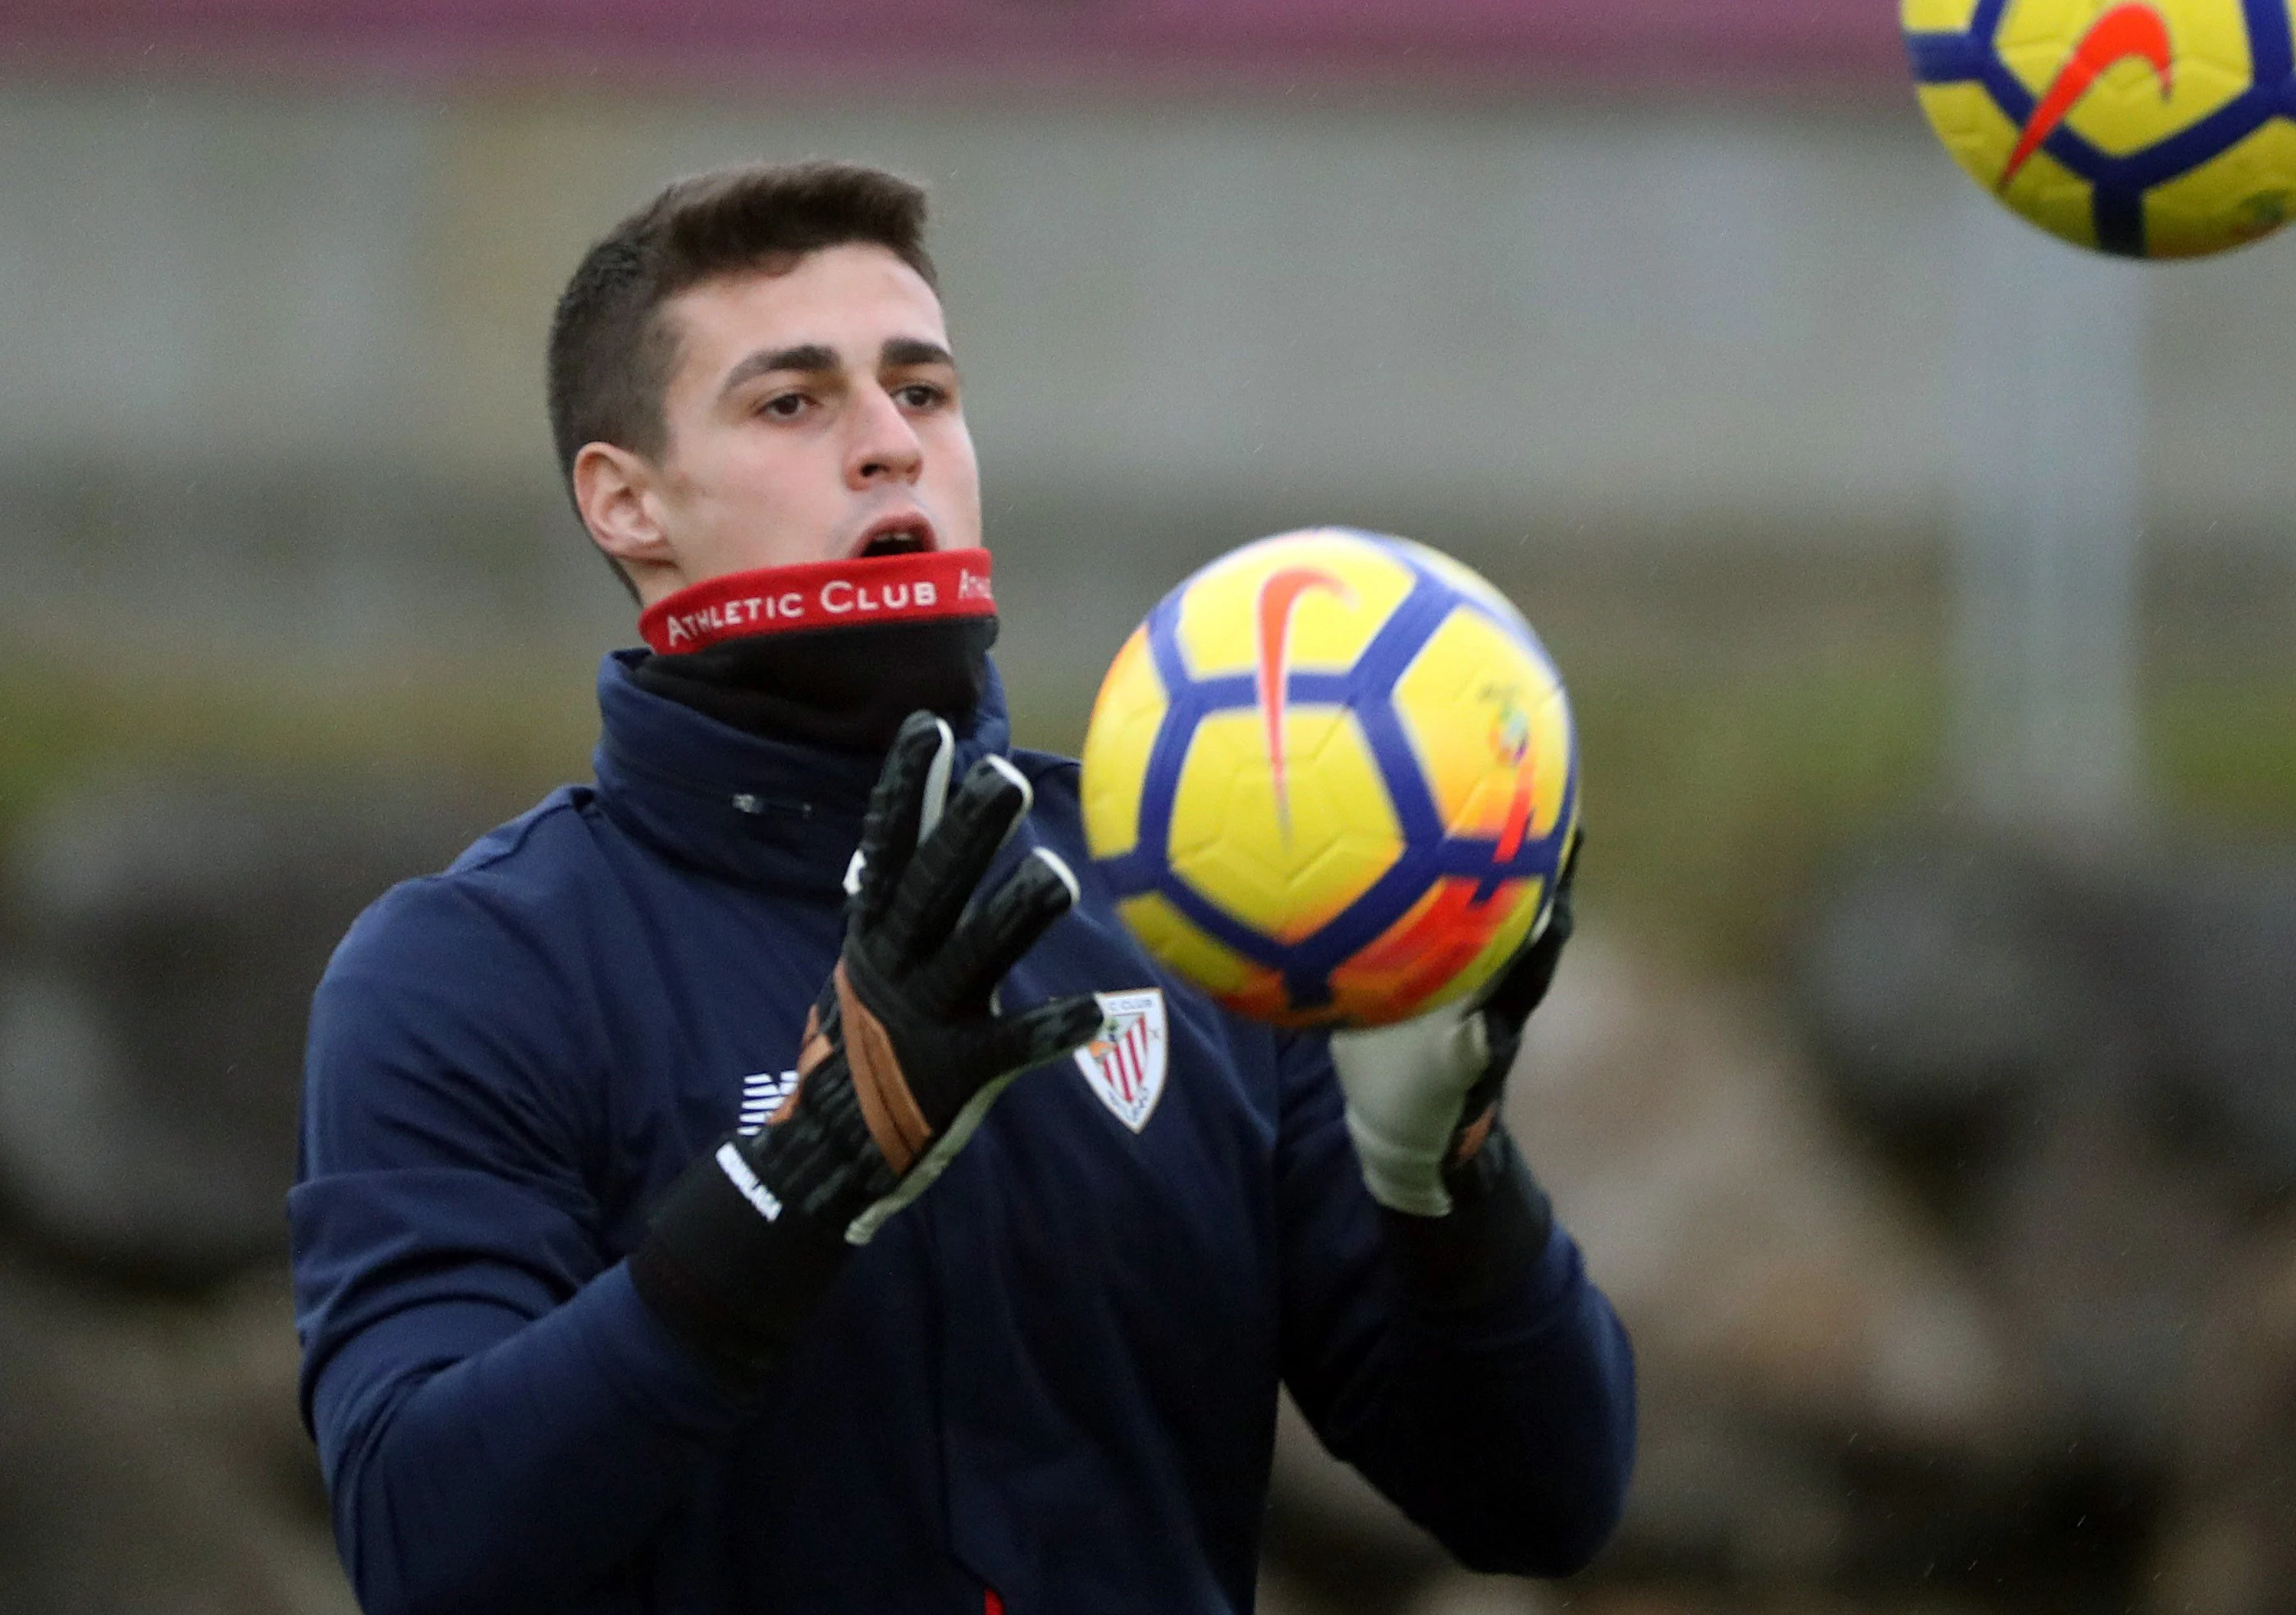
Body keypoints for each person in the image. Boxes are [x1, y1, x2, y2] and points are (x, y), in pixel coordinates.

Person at [288, 160, 1636, 1615]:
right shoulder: (474, 970)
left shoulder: (1194, 905)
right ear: (627, 503)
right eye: (793, 402)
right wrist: (801, 1181)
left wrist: (1450, 1183)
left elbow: (1543, 1502)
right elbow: (424, 1545)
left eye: (922, 391)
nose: (890, 445)